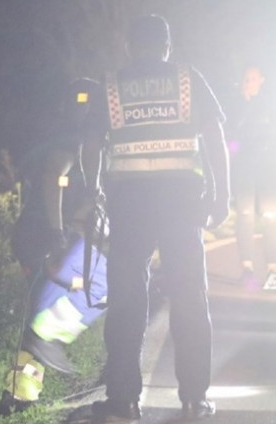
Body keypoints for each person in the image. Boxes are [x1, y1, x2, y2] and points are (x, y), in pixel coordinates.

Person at [80, 15, 230, 422]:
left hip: (129, 206)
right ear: (167, 46)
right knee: (189, 298)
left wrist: (92, 191)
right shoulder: (188, 78)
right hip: (181, 204)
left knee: (128, 299)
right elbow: (215, 138)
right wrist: (222, 195)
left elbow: (90, 146)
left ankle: (124, 399)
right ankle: (193, 399)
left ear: (130, 46)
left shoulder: (111, 84)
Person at [0, 78, 109, 415]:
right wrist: (57, 232)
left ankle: (20, 395)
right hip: (44, 236)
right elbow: (54, 178)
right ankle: (19, 393)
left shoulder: (72, 134)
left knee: (43, 311)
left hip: (40, 235)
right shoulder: (73, 138)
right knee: (49, 314)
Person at [228, 66, 276, 289]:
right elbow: (230, 134)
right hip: (245, 169)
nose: (248, 82)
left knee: (270, 216)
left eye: (252, 79)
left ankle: (272, 268)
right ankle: (246, 267)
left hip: (267, 169)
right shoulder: (236, 105)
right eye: (245, 79)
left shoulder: (269, 103)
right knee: (245, 215)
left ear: (262, 80)